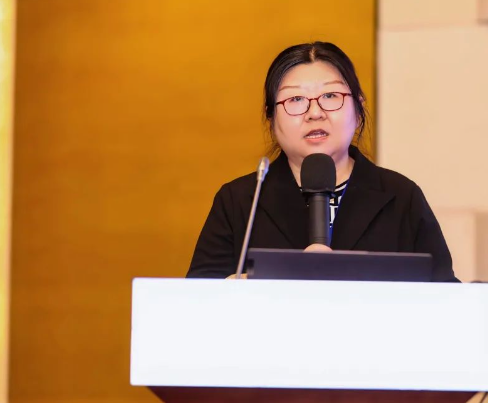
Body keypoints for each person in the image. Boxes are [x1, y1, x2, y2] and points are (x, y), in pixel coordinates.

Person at [186, 42, 458, 282]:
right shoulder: (240, 200)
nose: (315, 113)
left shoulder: (401, 196)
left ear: (358, 108)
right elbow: (196, 301)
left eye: (330, 96)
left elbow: (446, 298)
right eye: (295, 99)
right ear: (271, 117)